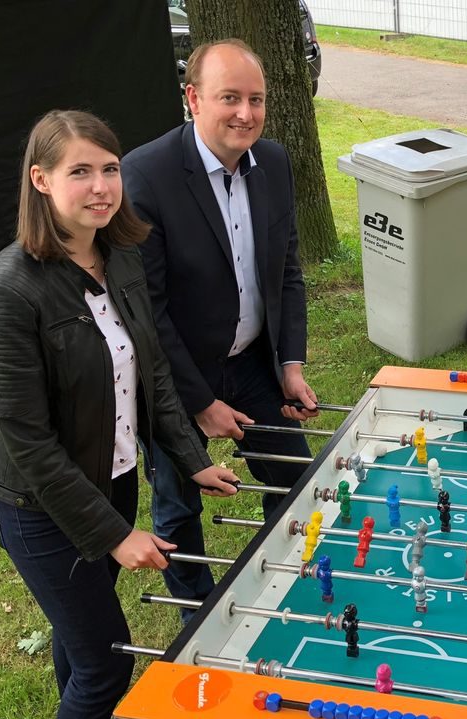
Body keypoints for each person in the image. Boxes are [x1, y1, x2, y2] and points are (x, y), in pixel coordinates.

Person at [0, 109, 239, 719]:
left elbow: (152, 374)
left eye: (110, 169)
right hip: (37, 506)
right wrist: (116, 535)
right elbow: (29, 442)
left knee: (81, 629)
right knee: (104, 664)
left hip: (113, 478)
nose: (101, 186)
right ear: (41, 180)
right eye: (80, 171)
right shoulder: (8, 292)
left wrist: (191, 458)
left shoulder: (120, 255)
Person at [122, 39, 319, 610]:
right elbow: (148, 311)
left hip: (253, 363)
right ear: (193, 98)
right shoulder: (146, 176)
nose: (245, 114)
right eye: (229, 97)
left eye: (256, 99)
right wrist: (201, 402)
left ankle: (287, 578)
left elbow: (287, 271)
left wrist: (290, 363)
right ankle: (194, 609)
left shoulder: (274, 163)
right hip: (174, 379)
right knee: (178, 502)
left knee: (293, 477)